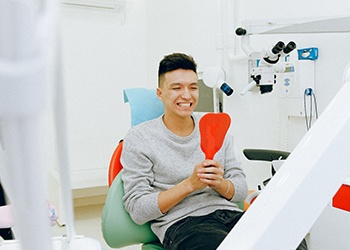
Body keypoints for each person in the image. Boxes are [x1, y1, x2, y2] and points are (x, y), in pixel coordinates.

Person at [121, 52, 308, 250]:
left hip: (229, 215)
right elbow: (138, 210)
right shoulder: (140, 137)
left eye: (193, 87)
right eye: (177, 88)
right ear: (160, 93)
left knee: (290, 236)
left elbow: (240, 189)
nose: (186, 95)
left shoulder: (214, 125)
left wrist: (220, 183)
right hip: (184, 224)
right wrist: (190, 184)